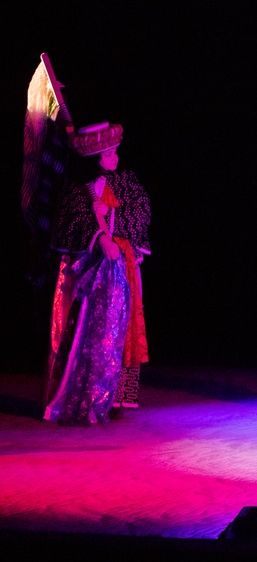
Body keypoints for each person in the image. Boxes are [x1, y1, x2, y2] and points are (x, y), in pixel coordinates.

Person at [45, 122, 151, 424]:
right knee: (91, 333)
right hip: (91, 276)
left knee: (123, 328)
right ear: (93, 159)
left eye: (116, 152)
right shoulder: (78, 190)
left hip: (124, 267)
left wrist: (112, 216)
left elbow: (142, 211)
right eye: (108, 154)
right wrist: (99, 237)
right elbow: (70, 225)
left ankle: (118, 398)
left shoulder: (126, 180)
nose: (115, 158)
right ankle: (86, 397)